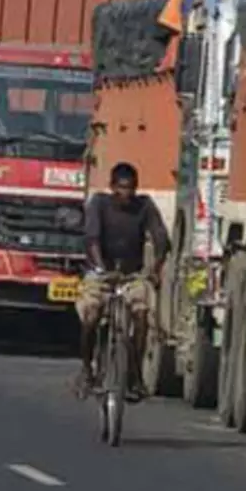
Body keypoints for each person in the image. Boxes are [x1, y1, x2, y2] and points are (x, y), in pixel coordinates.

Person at [75, 161, 170, 399]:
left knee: (142, 315)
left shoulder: (144, 206)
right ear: (112, 187)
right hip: (101, 272)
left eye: (130, 189)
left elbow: (161, 238)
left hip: (132, 275)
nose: (125, 194)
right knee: (91, 313)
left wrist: (155, 268)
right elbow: (92, 238)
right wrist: (100, 268)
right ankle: (86, 369)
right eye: (120, 188)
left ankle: (135, 376)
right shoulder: (99, 203)